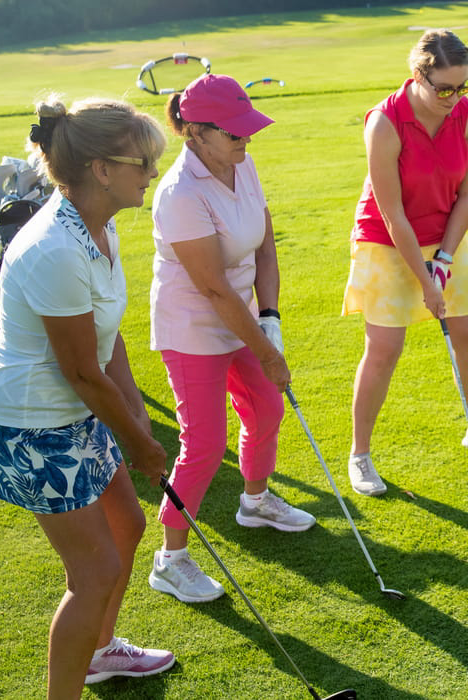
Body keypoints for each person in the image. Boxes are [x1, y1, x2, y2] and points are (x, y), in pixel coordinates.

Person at [0, 95, 175, 695]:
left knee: (127, 525)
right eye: (143, 163)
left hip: (73, 411)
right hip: (32, 424)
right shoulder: (54, 248)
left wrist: (137, 416)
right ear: (101, 169)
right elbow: (82, 372)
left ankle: (99, 652)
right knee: (94, 573)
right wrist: (138, 443)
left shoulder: (99, 226)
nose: (153, 173)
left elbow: (107, 339)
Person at [143, 74, 312, 605]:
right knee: (204, 444)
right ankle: (170, 560)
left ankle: (255, 503)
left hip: (241, 313)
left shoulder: (242, 162)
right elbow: (212, 287)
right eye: (235, 132)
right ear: (196, 132)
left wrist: (270, 316)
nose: (246, 138)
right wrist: (267, 351)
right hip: (192, 325)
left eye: (248, 128)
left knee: (265, 409)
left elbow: (264, 244)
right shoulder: (180, 193)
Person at [342, 29, 468, 496]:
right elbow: (392, 213)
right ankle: (360, 455)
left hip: (445, 234)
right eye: (444, 89)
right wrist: (426, 279)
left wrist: (445, 258)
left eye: (462, 86)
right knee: (384, 348)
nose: (454, 98)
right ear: (417, 76)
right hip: (385, 239)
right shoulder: (384, 123)